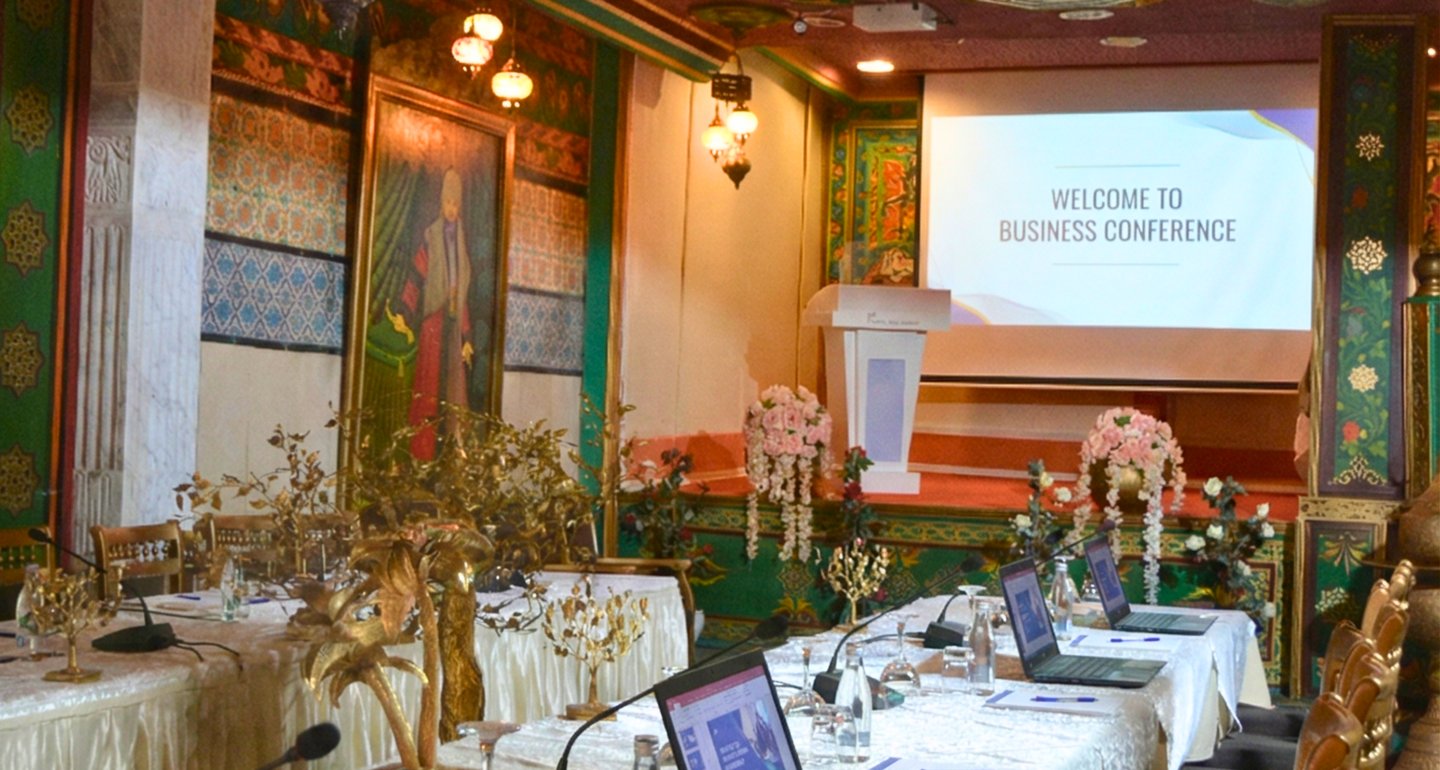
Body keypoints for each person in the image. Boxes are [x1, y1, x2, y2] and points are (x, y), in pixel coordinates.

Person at [391, 168, 474, 459]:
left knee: (453, 394)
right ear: (441, 203)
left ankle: (452, 458)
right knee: (427, 390)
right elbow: (416, 277)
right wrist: (404, 310)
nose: (452, 209)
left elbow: (462, 293)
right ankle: (422, 454)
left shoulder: (460, 240)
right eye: (448, 203)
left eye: (456, 204)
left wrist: (466, 336)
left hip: (452, 327)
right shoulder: (431, 236)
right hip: (433, 324)